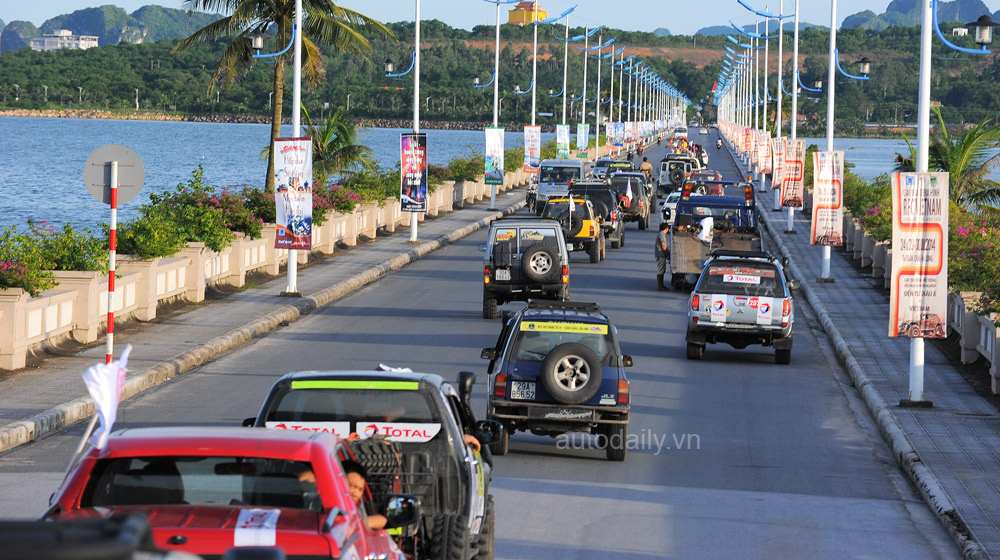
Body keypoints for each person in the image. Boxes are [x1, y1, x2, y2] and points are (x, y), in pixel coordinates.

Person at [341, 460, 389, 530]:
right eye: (351, 486)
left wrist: (362, 523)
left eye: (360, 489)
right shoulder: (329, 510)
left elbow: (382, 521)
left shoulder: (355, 511)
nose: (356, 493)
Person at [654, 221, 670, 291]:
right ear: (666, 228)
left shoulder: (660, 234)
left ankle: (661, 285)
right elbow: (663, 247)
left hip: (660, 254)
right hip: (661, 255)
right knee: (661, 270)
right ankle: (660, 286)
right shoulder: (662, 235)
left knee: (662, 270)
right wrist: (667, 254)